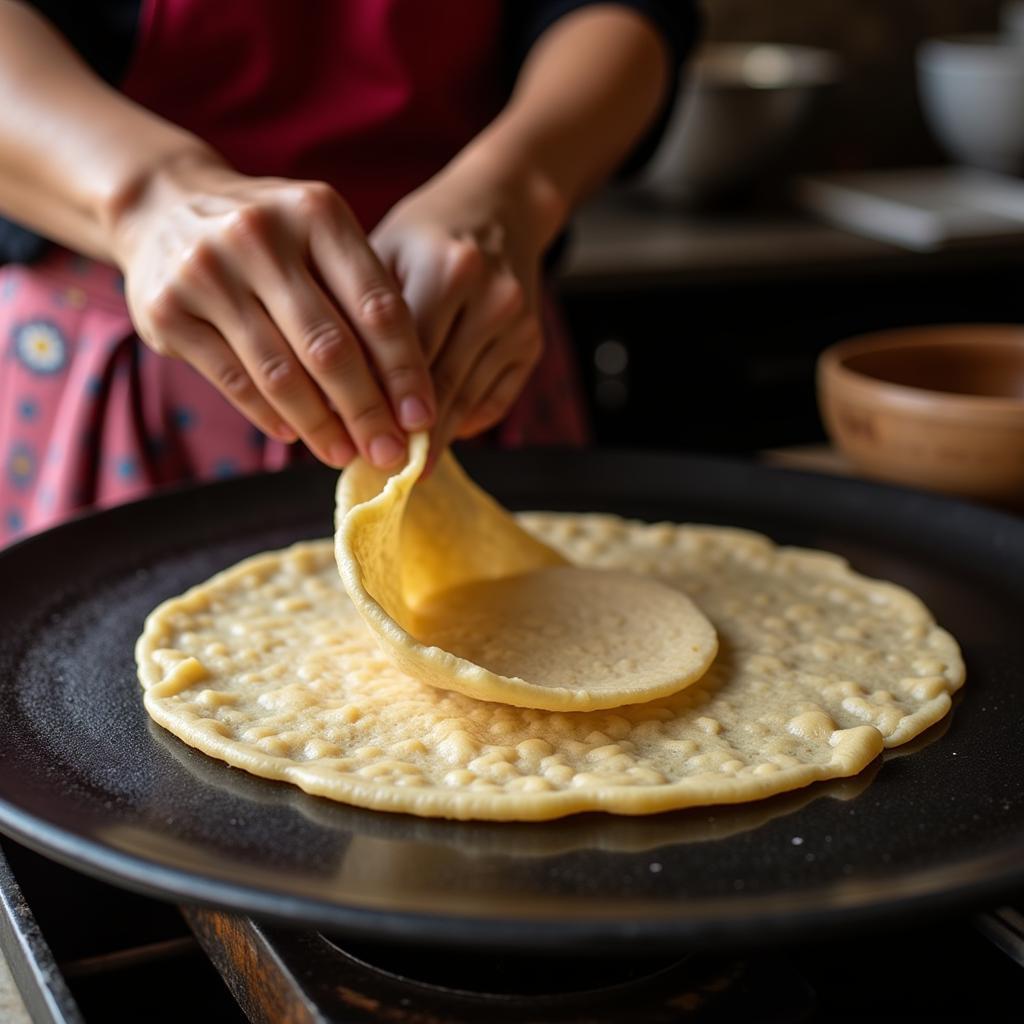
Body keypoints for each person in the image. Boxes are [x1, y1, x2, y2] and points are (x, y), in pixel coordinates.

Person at [0, 0, 698, 546]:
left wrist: (515, 190)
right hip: (122, 367)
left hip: (469, 326)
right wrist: (145, 194)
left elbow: (623, 7)